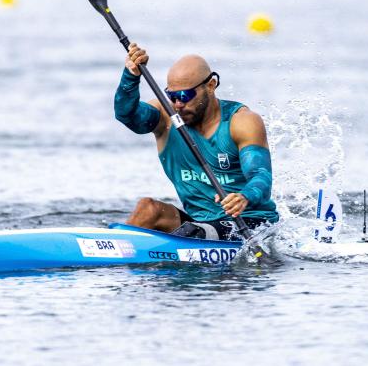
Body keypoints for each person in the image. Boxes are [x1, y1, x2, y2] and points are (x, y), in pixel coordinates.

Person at [113, 42, 279, 241]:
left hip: (250, 222)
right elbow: (127, 115)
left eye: (185, 95)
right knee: (148, 208)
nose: (178, 104)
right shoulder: (166, 117)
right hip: (200, 223)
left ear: (211, 85)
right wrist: (131, 75)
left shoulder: (241, 122)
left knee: (192, 232)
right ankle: (117, 247)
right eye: (172, 96)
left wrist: (244, 196)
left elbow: (260, 175)